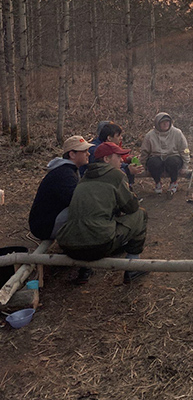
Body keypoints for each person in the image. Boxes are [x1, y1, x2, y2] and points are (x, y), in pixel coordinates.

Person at [57, 141, 148, 284]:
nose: (121, 161)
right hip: (98, 245)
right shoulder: (116, 175)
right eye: (118, 157)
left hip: (69, 245)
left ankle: (84, 269)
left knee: (93, 219)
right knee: (141, 215)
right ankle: (133, 266)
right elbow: (132, 207)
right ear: (106, 159)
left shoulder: (84, 177)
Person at [29, 136, 93, 240]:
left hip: (45, 223)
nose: (88, 154)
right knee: (87, 212)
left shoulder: (67, 170)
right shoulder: (65, 174)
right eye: (84, 151)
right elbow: (77, 202)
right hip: (45, 228)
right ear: (72, 154)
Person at [81, 121, 143, 188]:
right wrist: (127, 170)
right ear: (109, 138)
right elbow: (104, 172)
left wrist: (128, 166)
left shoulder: (109, 146)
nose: (121, 138)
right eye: (118, 135)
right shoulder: (96, 150)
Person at [140, 112, 190, 194]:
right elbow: (144, 152)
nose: (165, 124)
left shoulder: (177, 133)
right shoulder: (150, 135)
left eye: (167, 121)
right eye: (162, 122)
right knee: (153, 162)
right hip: (157, 159)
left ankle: (174, 182)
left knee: (172, 161)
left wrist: (185, 165)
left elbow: (185, 149)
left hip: (173, 158)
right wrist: (145, 166)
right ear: (157, 123)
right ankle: (157, 183)